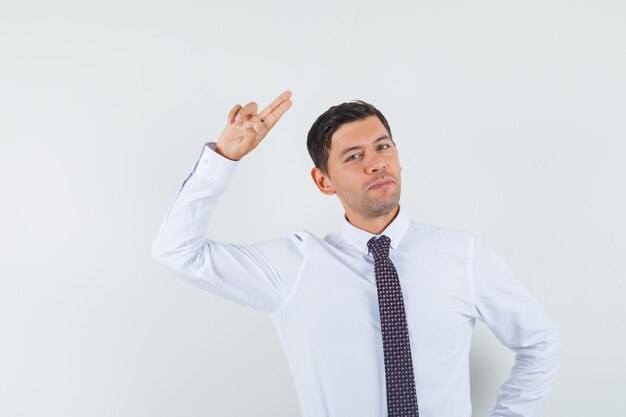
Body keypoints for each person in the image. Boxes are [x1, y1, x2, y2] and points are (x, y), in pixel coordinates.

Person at [151, 90, 562, 417]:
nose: (376, 164)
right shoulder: (294, 267)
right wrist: (222, 160)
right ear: (323, 181)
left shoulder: (464, 254)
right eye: (354, 156)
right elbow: (177, 252)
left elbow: (540, 343)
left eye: (383, 147)